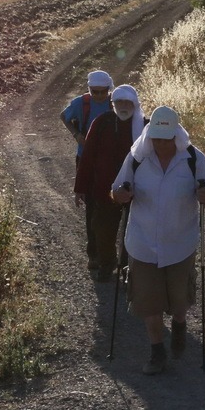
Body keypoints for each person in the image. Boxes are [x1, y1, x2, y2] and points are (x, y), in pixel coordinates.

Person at [111, 105, 205, 375]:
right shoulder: (137, 159)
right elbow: (116, 189)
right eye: (156, 138)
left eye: (166, 138)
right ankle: (157, 351)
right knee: (149, 302)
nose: (160, 144)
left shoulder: (194, 159)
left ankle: (180, 324)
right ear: (149, 136)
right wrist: (120, 196)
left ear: (176, 136)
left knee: (179, 300)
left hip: (180, 244)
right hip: (142, 243)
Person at [74, 84, 146, 282]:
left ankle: (127, 268)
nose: (123, 106)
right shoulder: (102, 122)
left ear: (135, 104)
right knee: (102, 230)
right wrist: (80, 188)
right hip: (104, 189)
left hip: (137, 190)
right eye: (119, 102)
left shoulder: (145, 126)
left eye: (127, 102)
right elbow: (87, 156)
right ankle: (107, 264)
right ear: (113, 104)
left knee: (133, 232)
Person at [61, 69, 114, 269]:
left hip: (112, 160)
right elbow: (63, 116)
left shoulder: (114, 103)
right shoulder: (80, 104)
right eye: (95, 92)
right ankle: (94, 254)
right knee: (92, 207)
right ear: (89, 89)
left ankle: (106, 253)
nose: (99, 96)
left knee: (111, 207)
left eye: (103, 92)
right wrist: (76, 135)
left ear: (109, 90)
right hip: (86, 159)